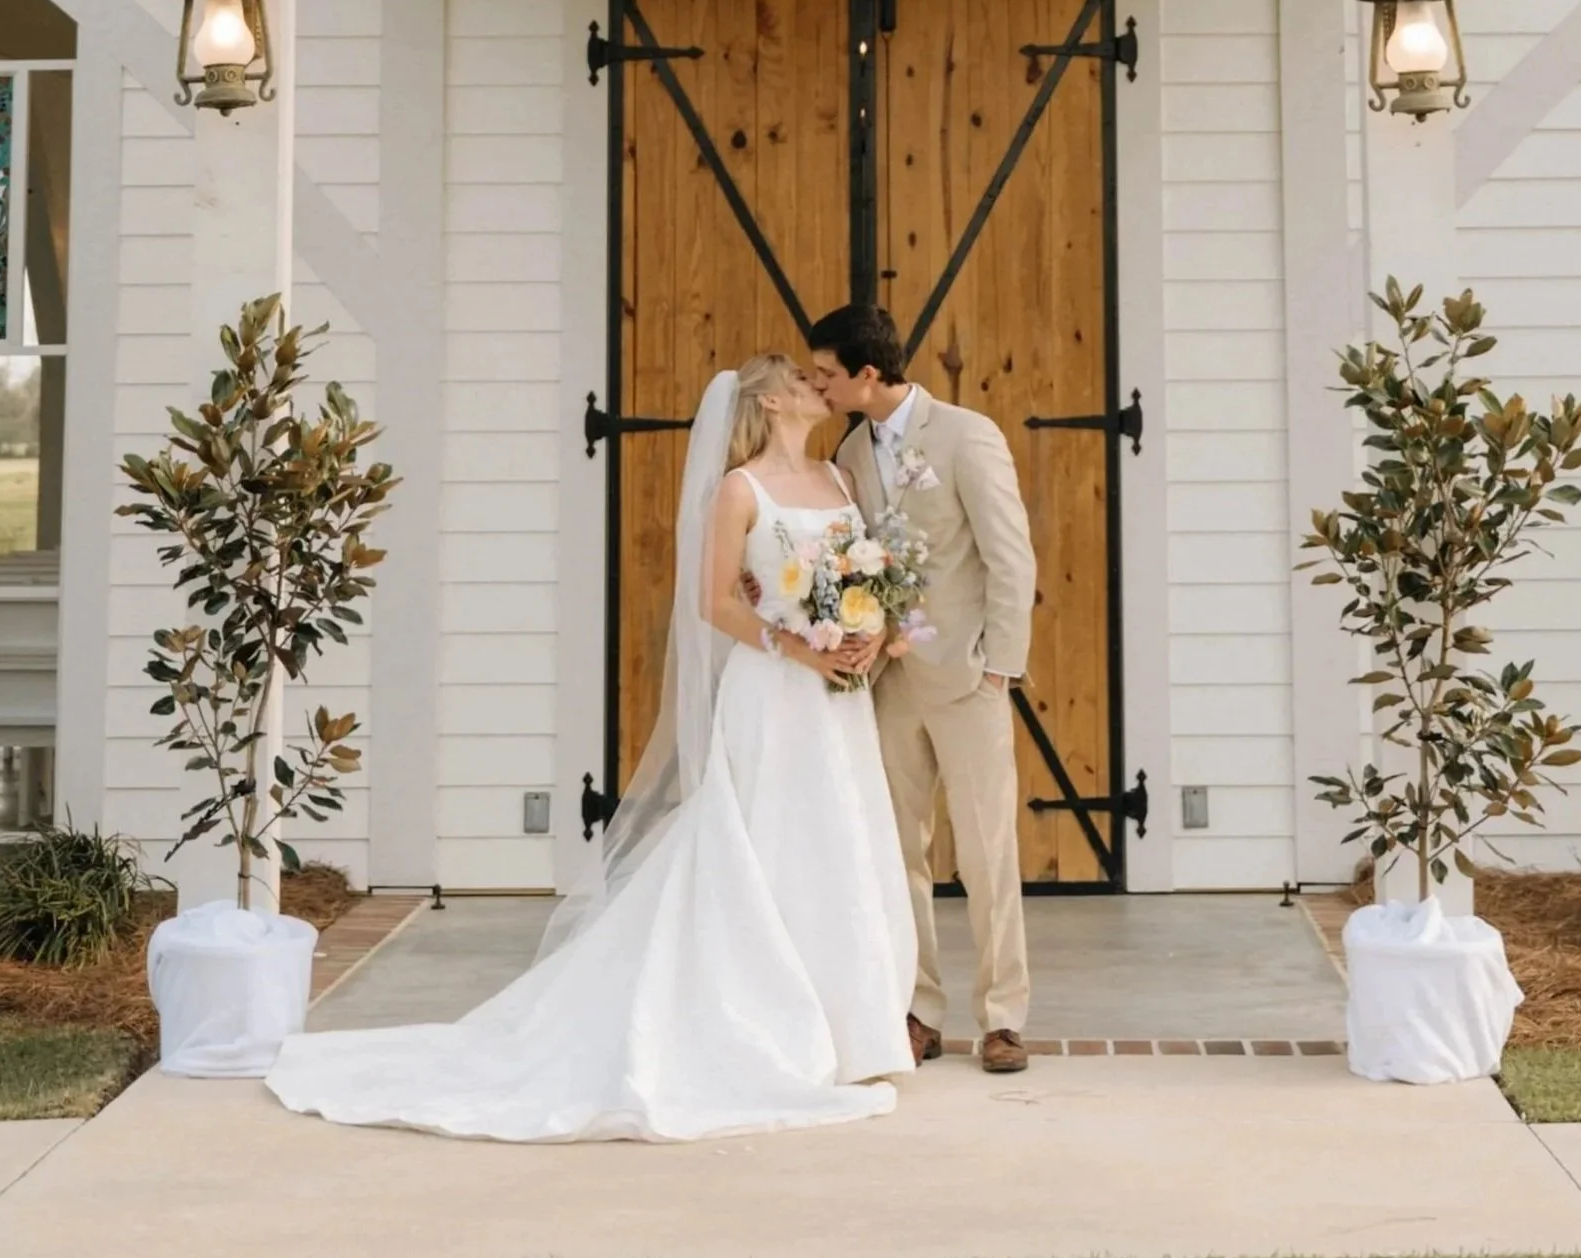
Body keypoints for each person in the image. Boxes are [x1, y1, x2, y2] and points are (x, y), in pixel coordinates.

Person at [265, 356, 915, 1141]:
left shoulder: (840, 484)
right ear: (775, 400)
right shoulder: (741, 491)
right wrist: (798, 646)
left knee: (838, 843)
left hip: (835, 701)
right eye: (806, 381)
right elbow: (714, 602)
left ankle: (848, 1032)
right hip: (774, 690)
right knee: (766, 842)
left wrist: (866, 635)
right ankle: (766, 1026)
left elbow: (868, 578)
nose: (822, 388)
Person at [808, 303, 1037, 1076]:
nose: (820, 386)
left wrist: (1000, 664)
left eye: (828, 375)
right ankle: (919, 1009)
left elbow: (1011, 556)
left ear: (868, 375)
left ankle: (1003, 1016)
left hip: (966, 676)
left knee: (985, 850)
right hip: (888, 677)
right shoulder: (849, 451)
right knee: (898, 850)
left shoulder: (968, 435)